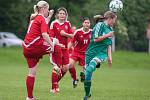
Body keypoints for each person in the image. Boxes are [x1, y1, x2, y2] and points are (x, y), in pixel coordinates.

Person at [22, 1, 54, 100]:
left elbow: (44, 22)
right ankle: (57, 66)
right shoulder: (41, 18)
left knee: (31, 73)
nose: (48, 11)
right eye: (47, 9)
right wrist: (52, 45)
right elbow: (44, 34)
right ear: (43, 8)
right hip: (34, 46)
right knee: (55, 43)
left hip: (26, 47)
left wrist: (50, 16)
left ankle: (30, 97)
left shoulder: (35, 18)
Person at [82, 11, 117, 100]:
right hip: (90, 52)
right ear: (109, 19)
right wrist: (107, 35)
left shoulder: (110, 30)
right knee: (87, 74)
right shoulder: (100, 25)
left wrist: (110, 57)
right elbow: (96, 39)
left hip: (101, 53)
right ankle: (87, 93)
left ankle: (85, 97)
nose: (114, 22)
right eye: (114, 20)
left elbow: (108, 45)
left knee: (90, 68)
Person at [49, 7, 73, 93]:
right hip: (57, 48)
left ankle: (55, 83)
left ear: (66, 15)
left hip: (65, 49)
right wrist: (57, 44)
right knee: (57, 67)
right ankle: (53, 88)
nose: (62, 15)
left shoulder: (68, 24)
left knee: (66, 68)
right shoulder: (54, 23)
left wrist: (65, 34)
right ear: (57, 15)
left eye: (64, 14)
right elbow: (50, 37)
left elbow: (72, 35)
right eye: (61, 13)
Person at [68, 17, 92, 88]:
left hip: (86, 54)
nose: (87, 24)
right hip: (76, 52)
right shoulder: (78, 32)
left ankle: (83, 76)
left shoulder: (92, 32)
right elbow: (71, 42)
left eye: (88, 23)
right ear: (83, 23)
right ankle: (74, 79)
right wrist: (66, 50)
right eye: (85, 22)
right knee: (70, 65)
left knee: (86, 70)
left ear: (90, 24)